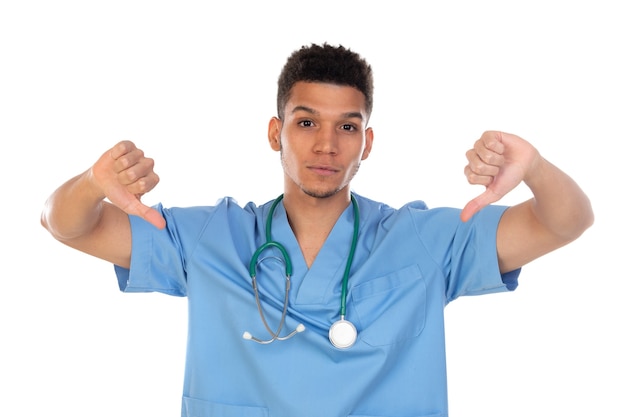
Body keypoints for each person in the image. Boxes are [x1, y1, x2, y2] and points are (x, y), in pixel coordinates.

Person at [41, 43, 593, 417]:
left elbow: (567, 221)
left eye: (346, 127)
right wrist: (94, 181)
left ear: (367, 144)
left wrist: (535, 167)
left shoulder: (424, 241)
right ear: (276, 132)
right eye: (306, 123)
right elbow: (63, 224)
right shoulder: (213, 239)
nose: (326, 146)